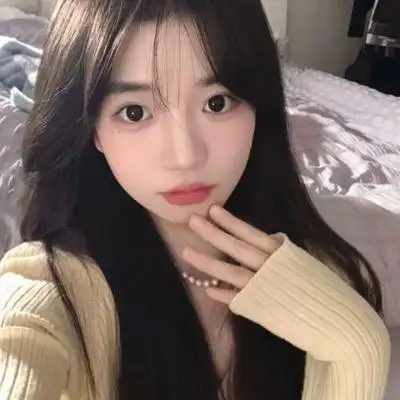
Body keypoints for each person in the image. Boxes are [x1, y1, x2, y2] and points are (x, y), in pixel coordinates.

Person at [0, 0, 390, 399]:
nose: (186, 156)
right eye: (134, 112)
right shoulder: (55, 288)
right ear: (91, 128)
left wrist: (357, 348)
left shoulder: (326, 271)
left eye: (217, 102)